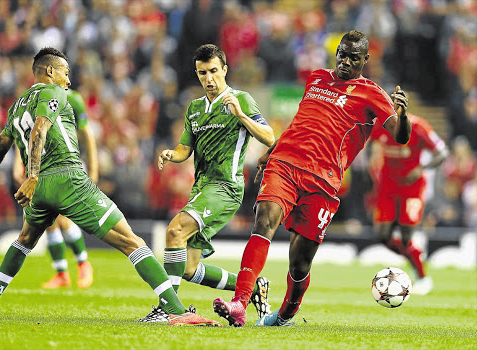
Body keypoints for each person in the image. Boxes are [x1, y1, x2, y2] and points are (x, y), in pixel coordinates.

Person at [0, 47, 221, 327]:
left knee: (25, 240)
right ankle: (175, 310)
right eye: (65, 72)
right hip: (66, 177)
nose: (68, 80)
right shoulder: (54, 93)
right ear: (50, 71)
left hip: (39, 190)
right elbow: (40, 129)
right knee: (132, 241)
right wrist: (34, 175)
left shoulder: (16, 105)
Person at [212, 30, 412, 327]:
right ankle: (240, 302)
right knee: (264, 221)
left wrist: (403, 115)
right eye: (341, 55)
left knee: (300, 261)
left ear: (365, 60)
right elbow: (302, 119)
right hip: (286, 163)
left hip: (323, 181)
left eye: (353, 58)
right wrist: (272, 150)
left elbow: (400, 135)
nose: (345, 61)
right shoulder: (317, 77)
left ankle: (285, 314)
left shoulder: (372, 93)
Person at [138, 44, 275, 323]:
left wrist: (240, 115)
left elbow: (270, 137)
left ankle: (168, 310)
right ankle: (252, 288)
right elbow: (184, 149)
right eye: (202, 73)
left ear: (224, 70)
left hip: (225, 187)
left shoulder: (241, 99)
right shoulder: (194, 108)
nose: (209, 78)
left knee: (175, 230)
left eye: (214, 71)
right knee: (188, 268)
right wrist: (170, 154)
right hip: (201, 188)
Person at [13, 88, 98, 290]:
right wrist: (19, 163)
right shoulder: (32, 100)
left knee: (61, 217)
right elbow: (24, 133)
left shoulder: (73, 99)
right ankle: (62, 273)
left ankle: (83, 263)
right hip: (40, 165)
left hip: (67, 163)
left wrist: (94, 170)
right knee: (48, 220)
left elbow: (87, 134)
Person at [369, 114, 448, 295]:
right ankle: (415, 257)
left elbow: (442, 152)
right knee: (382, 235)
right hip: (387, 186)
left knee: (405, 236)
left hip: (411, 187)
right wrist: (371, 166)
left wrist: (421, 169)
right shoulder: (380, 126)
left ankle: (422, 277)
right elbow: (370, 144)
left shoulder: (419, 127)